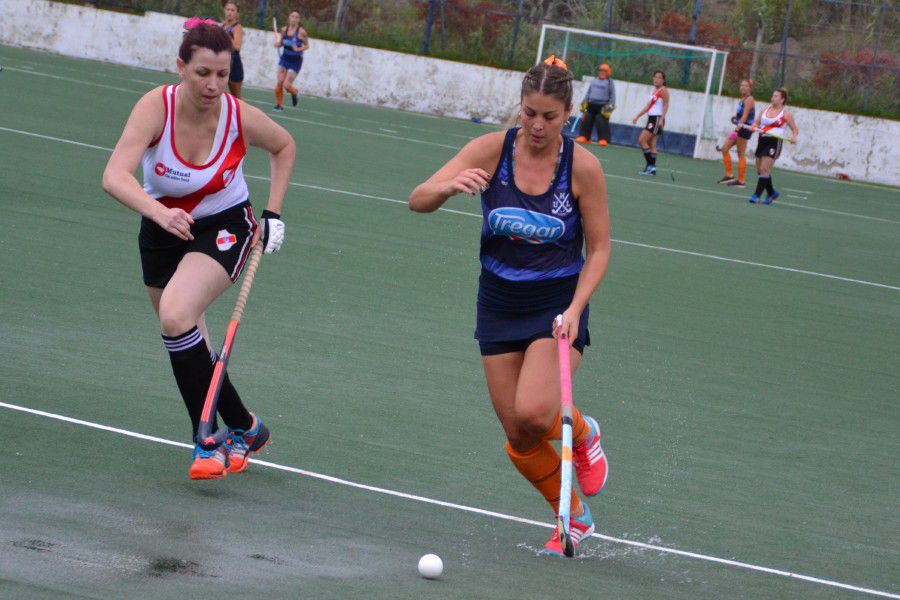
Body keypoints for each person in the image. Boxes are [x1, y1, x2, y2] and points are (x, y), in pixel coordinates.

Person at [408, 55, 611, 557]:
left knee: (538, 412)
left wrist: (577, 308)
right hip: (498, 300)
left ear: (568, 115)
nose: (537, 125)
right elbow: (416, 198)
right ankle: (574, 515)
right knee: (519, 435)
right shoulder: (490, 150)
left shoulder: (582, 166)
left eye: (550, 116)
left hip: (556, 303)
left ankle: (584, 433)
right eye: (529, 113)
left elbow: (601, 247)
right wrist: (446, 188)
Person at [101, 21, 296, 480]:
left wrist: (273, 212)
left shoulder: (236, 115)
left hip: (225, 226)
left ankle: (206, 439)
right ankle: (247, 426)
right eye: (202, 73)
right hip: (161, 227)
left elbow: (284, 146)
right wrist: (159, 213)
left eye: (222, 74)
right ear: (181, 68)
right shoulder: (157, 106)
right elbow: (114, 176)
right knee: (188, 340)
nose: (212, 85)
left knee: (175, 313)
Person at [749, 88, 798, 204]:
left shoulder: (786, 114)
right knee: (760, 171)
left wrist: (794, 137)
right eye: (773, 96)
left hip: (774, 142)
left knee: (765, 169)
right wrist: (753, 126)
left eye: (776, 96)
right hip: (762, 140)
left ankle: (756, 196)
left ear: (782, 99)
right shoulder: (764, 110)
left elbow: (794, 129)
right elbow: (756, 122)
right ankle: (772, 193)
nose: (773, 98)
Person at [717, 79, 755, 187]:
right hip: (740, 127)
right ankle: (729, 175)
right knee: (724, 149)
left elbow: (745, 116)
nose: (743, 87)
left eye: (745, 86)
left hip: (744, 128)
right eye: (741, 85)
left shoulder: (749, 99)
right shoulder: (743, 98)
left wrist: (736, 130)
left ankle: (741, 181)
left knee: (741, 154)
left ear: (749, 88)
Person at [631, 70, 669, 176]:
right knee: (651, 144)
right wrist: (638, 116)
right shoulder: (655, 91)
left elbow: (666, 105)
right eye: (655, 77)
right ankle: (652, 169)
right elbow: (648, 106)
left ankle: (650, 166)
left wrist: (662, 119)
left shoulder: (663, 90)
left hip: (656, 119)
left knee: (642, 140)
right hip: (651, 119)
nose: (656, 79)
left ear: (663, 80)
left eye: (659, 78)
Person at [274, 10, 309, 112]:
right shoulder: (284, 30)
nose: (294, 19)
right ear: (289, 18)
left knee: (286, 85)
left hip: (295, 61)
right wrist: (278, 44)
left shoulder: (301, 32)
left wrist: (298, 49)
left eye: (296, 17)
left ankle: (295, 93)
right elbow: (281, 43)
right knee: (279, 82)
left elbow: (307, 46)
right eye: (292, 16)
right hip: (284, 58)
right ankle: (279, 105)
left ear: (299, 19)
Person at [575, 63, 616, 146]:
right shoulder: (594, 80)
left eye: (604, 71)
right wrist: (583, 102)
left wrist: (610, 106)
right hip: (591, 104)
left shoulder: (609, 82)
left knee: (601, 121)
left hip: (603, 106)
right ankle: (585, 137)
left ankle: (603, 139)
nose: (602, 72)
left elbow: (613, 96)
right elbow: (588, 92)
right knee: (587, 120)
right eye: (600, 71)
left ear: (608, 72)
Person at [221, 2, 244, 99]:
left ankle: (244, 113)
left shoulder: (237, 27)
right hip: (222, 61)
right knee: (219, 91)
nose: (229, 12)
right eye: (228, 9)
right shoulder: (222, 26)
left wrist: (225, 37)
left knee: (237, 97)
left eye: (232, 10)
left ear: (237, 14)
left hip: (234, 63)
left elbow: (237, 47)